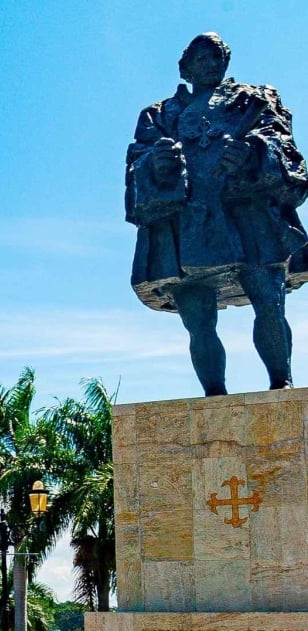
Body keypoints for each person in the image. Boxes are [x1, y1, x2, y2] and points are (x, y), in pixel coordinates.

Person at [126, 33, 308, 394]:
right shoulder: (158, 115)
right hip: (185, 226)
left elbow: (283, 146)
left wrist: (253, 153)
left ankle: (281, 383)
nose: (211, 63)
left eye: (217, 57)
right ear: (184, 66)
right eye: (202, 57)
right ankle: (214, 395)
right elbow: (137, 162)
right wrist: (158, 167)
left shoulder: (253, 101)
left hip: (248, 219)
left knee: (269, 302)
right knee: (197, 317)